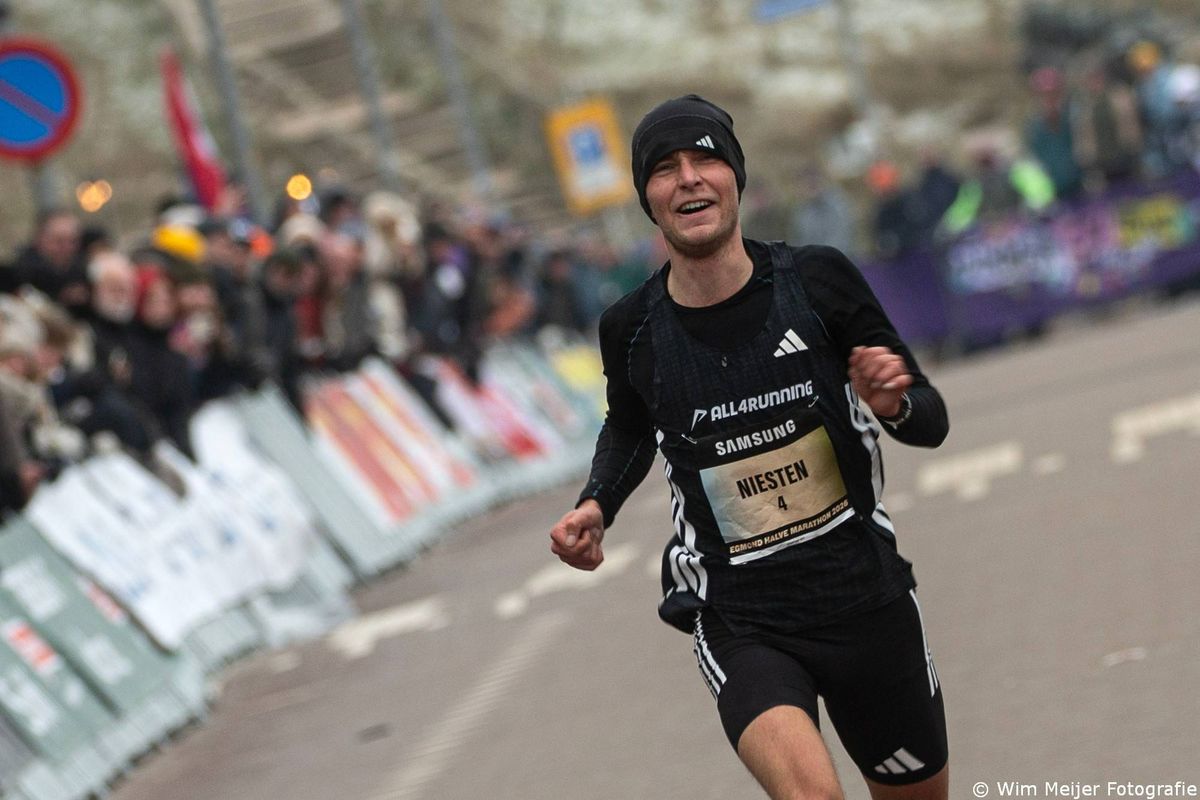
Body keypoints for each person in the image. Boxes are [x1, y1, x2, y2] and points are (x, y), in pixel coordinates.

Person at [549, 95, 950, 800]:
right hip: (743, 618)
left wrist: (895, 403)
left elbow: (929, 420)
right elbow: (630, 423)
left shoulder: (818, 281)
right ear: (648, 198)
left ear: (735, 176)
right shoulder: (632, 327)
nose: (690, 179)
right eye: (666, 169)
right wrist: (596, 504)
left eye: (706, 159)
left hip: (866, 600)